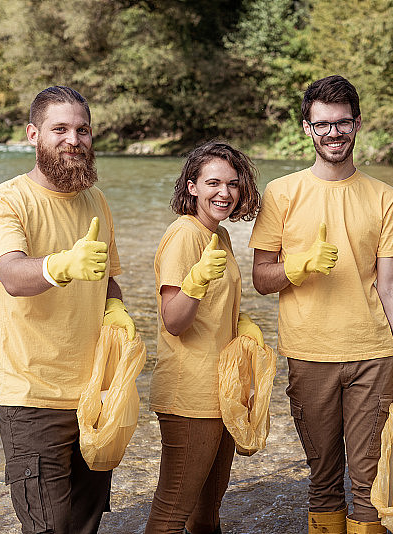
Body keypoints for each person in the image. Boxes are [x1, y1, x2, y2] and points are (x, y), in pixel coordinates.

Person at [249, 75, 393, 534]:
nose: (333, 133)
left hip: (373, 354)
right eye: (323, 124)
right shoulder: (281, 194)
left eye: (342, 123)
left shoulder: (384, 197)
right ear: (307, 128)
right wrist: (298, 266)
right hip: (309, 354)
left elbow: (391, 285)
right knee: (323, 478)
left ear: (357, 124)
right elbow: (261, 278)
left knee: (372, 481)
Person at [0, 86, 136, 534]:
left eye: (82, 130)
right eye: (59, 129)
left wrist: (116, 309)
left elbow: (108, 277)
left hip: (95, 394)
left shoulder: (95, 200)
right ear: (33, 134)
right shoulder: (2, 201)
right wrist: (61, 265)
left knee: (85, 523)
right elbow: (11, 274)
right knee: (48, 526)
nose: (73, 139)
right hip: (32, 398)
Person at [145, 141, 263, 534]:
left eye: (233, 184)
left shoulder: (220, 235)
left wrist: (242, 323)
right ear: (192, 187)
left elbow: (213, 308)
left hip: (220, 391)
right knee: (172, 513)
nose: (224, 193)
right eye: (213, 183)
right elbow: (174, 321)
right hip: (189, 395)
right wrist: (195, 281)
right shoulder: (184, 234)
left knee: (207, 512)